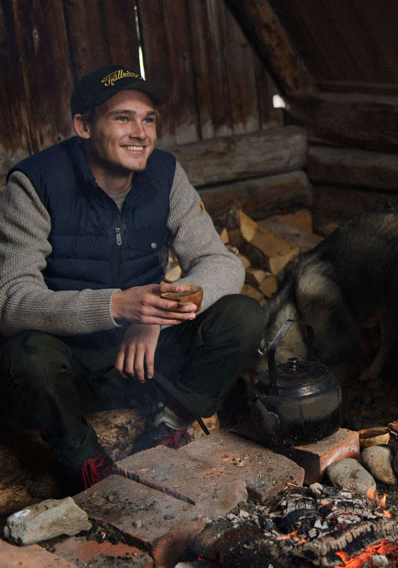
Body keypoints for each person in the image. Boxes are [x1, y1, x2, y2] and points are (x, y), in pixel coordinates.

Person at [0, 65, 265, 492]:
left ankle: (171, 423)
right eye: (123, 118)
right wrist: (117, 305)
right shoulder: (35, 182)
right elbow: (10, 301)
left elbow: (222, 263)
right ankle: (87, 465)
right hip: (71, 361)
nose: (140, 132)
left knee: (243, 315)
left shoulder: (165, 174)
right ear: (83, 126)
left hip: (144, 355)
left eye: (148, 119)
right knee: (26, 355)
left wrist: (156, 317)